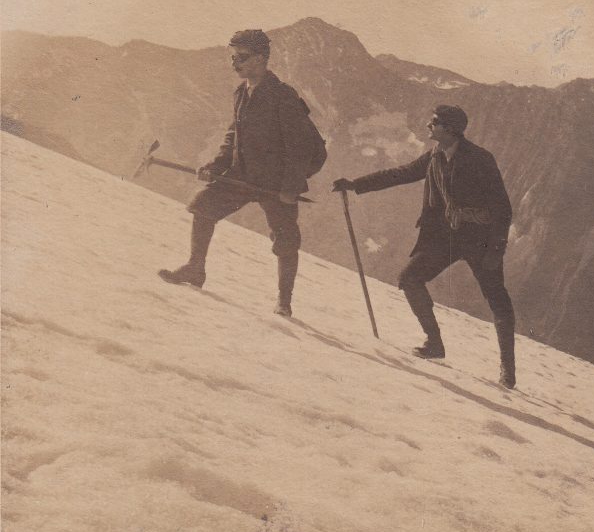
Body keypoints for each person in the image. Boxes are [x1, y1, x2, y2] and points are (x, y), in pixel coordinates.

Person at [332, 105, 517, 388]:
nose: (428, 125)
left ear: (450, 129)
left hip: (481, 240)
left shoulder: (480, 159)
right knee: (409, 278)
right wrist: (356, 184)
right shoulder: (434, 157)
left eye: (435, 122)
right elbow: (400, 173)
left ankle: (508, 371)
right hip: (445, 238)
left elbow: (502, 209)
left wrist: (496, 250)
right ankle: (434, 343)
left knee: (497, 300)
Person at [158, 29, 320, 317]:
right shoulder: (241, 93)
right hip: (242, 175)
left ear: (261, 58)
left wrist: (292, 186)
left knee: (285, 239)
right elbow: (234, 136)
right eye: (233, 57)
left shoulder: (283, 95)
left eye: (242, 58)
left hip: (277, 182)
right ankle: (196, 269)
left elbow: (301, 146)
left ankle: (284, 302)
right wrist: (215, 166)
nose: (235, 64)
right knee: (203, 206)